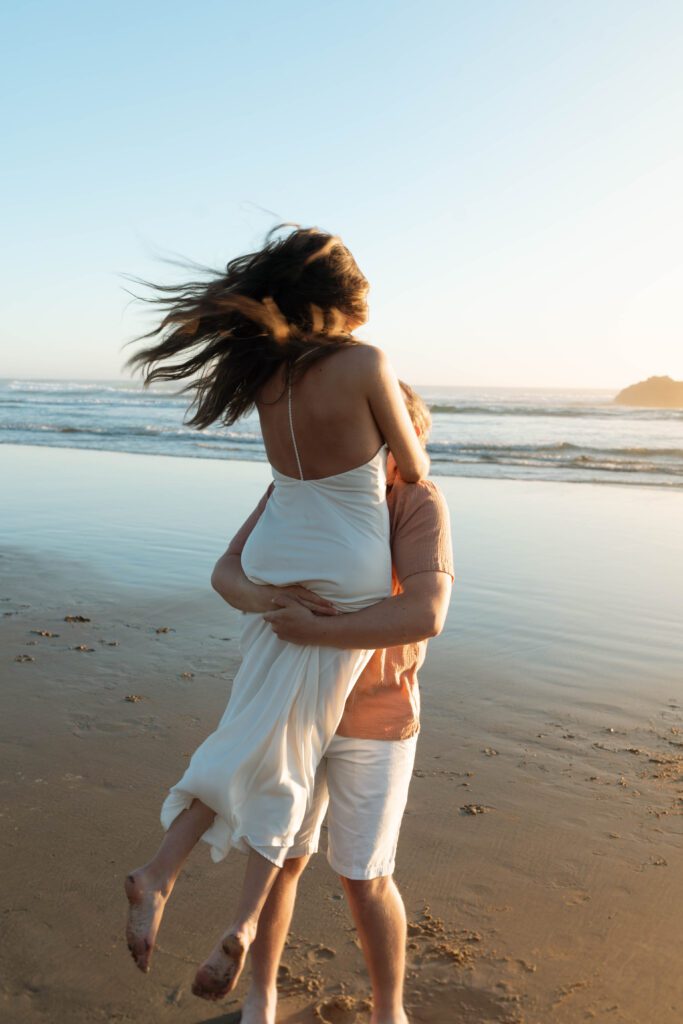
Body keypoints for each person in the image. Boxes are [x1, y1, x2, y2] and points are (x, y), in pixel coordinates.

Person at [122, 225, 429, 1000]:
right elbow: (413, 468)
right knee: (285, 754)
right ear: (337, 304)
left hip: (279, 559)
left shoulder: (266, 378)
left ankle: (167, 872)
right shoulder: (367, 363)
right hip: (346, 573)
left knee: (253, 730)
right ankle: (237, 913)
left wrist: (264, 594)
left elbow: (288, 484)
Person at [211, 383, 453, 1024]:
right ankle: (260, 998)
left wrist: (317, 628)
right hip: (294, 705)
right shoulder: (298, 492)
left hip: (376, 717)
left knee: (365, 875)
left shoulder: (417, 503)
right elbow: (227, 572)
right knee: (281, 858)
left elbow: (426, 611)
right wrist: (270, 601)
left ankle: (387, 1009)